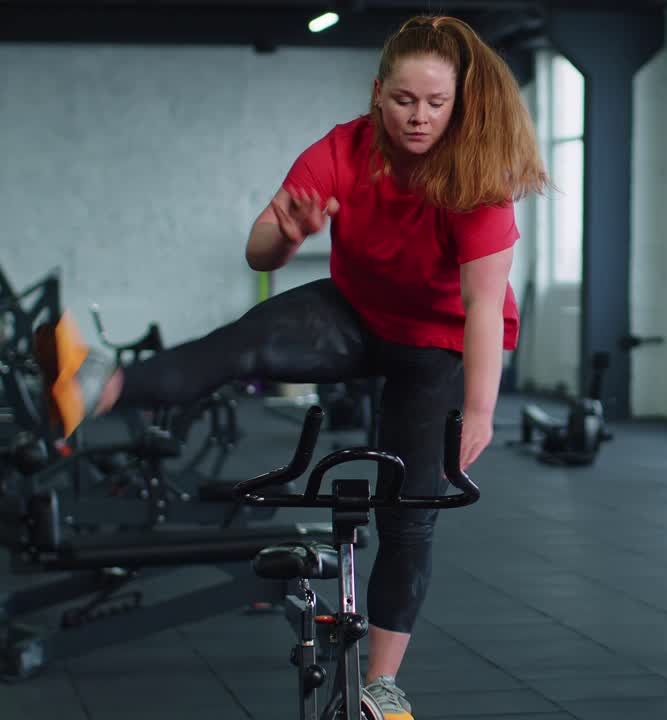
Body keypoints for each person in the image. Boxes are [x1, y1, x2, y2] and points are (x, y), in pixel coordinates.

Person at [37, 15, 546, 720]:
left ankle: (383, 684)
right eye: (404, 100)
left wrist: (484, 411)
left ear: (458, 104)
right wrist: (289, 232)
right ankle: (100, 385)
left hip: (440, 339)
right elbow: (259, 253)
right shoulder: (344, 148)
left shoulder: (475, 176)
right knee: (246, 340)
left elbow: (483, 306)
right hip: (356, 310)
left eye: (436, 103)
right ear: (378, 92)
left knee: (410, 511)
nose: (420, 117)